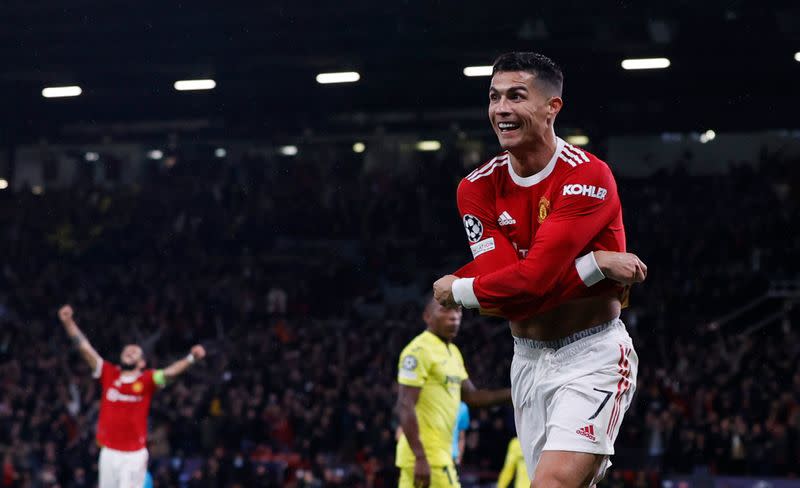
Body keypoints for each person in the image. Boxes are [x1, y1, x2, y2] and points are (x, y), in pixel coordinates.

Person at [432, 52, 646, 487]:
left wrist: (460, 289)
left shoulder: (587, 177)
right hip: (526, 362)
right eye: (494, 97)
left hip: (593, 357)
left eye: (516, 96)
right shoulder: (476, 188)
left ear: (553, 108)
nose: (501, 109)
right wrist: (593, 267)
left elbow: (527, 284)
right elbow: (515, 296)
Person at [57, 304, 206, 488]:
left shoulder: (147, 380)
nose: (129, 352)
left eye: (135, 351)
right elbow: (85, 349)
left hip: (133, 455)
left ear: (142, 362)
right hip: (109, 452)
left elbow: (169, 373)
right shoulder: (108, 374)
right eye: (127, 350)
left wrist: (190, 359)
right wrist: (68, 323)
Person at [396, 297, 511, 488]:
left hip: (434, 456)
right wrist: (421, 457)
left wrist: (514, 394)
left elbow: (472, 397)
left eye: (458, 311)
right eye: (445, 311)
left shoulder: (453, 352)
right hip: (429, 458)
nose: (454, 317)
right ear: (427, 316)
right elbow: (405, 405)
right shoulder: (418, 351)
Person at [452, 402, 469, 466]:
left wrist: (458, 460)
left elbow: (461, 438)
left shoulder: (462, 407)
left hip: (453, 458)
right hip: (432, 456)